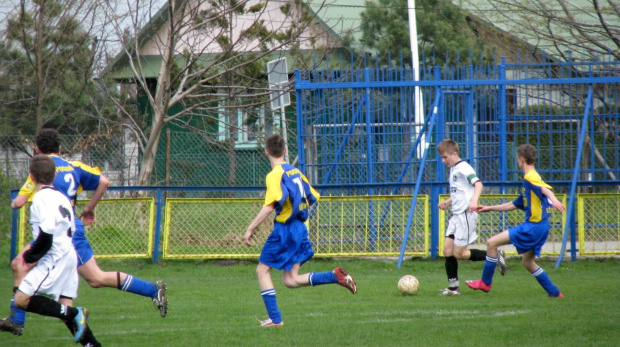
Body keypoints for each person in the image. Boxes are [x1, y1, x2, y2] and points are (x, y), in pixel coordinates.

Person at [1, 129, 167, 339]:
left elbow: (19, 202)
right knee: (35, 278)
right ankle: (23, 321)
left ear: (37, 148)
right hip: (67, 225)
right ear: (60, 148)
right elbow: (104, 181)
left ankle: (152, 289)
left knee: (94, 279)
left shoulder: (39, 170)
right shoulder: (73, 166)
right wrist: (89, 208)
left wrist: (13, 201)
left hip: (60, 232)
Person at [243, 134, 357, 327]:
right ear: (285, 151)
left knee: (262, 270)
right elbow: (312, 196)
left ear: (266, 152)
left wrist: (250, 228)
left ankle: (275, 319)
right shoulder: (295, 171)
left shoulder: (274, 175)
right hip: (300, 228)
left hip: (285, 229)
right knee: (290, 280)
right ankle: (335, 276)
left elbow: (270, 206)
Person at [466, 144, 566, 297]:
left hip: (533, 227)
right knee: (527, 262)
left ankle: (485, 283)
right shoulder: (531, 179)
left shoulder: (530, 176)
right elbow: (513, 204)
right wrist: (489, 208)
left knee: (491, 243)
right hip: (543, 227)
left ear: (521, 159)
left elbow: (545, 190)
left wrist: (554, 199)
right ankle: (554, 292)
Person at [12, 155, 91, 344]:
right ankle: (92, 344)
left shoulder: (40, 198)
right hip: (69, 252)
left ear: (31, 176)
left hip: (56, 256)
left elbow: (46, 234)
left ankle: (76, 313)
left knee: (21, 300)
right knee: (64, 310)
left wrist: (31, 256)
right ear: (54, 175)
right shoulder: (61, 197)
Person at [436, 139, 506, 296]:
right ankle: (453, 288)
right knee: (447, 250)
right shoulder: (454, 169)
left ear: (454, 153)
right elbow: (460, 192)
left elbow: (478, 184)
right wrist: (448, 202)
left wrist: (474, 201)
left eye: (445, 157)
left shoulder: (464, 167)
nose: (443, 160)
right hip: (456, 216)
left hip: (466, 215)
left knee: (459, 254)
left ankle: (495, 255)